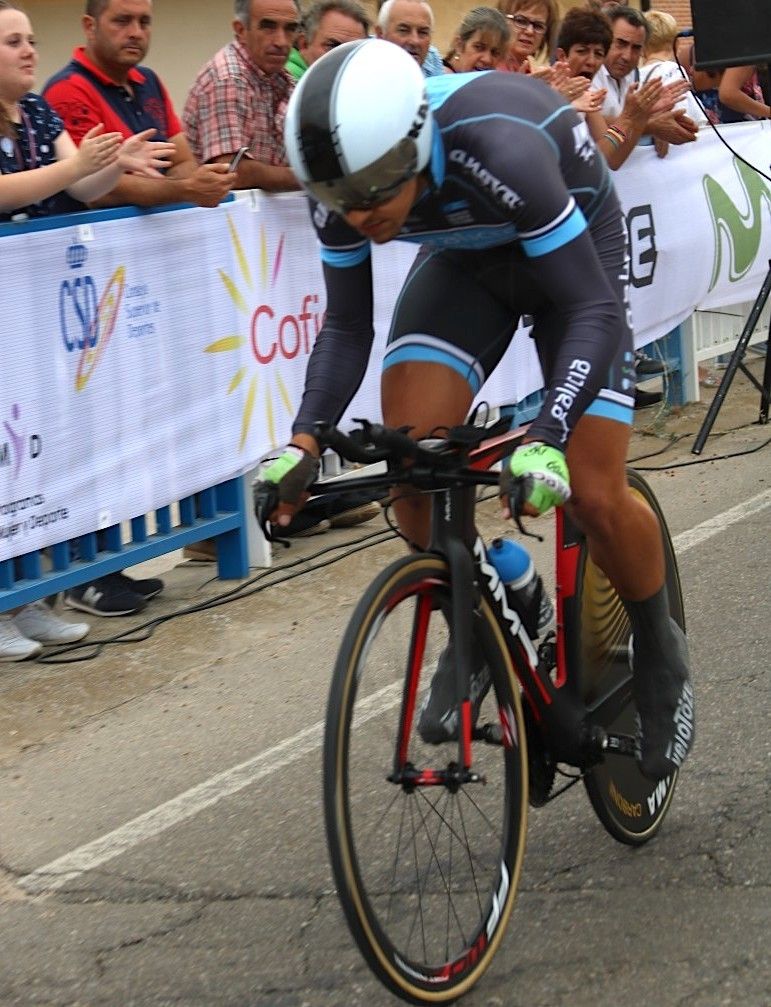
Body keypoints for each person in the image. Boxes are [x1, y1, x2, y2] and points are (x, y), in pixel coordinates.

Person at [260, 38, 694, 782]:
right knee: (414, 471)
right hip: (465, 262)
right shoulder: (342, 177)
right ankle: (500, 592)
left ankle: (660, 645)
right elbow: (343, 326)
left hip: (573, 264)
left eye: (371, 192)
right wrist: (302, 441)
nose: (358, 214)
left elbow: (590, 305)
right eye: (341, 198)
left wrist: (548, 434)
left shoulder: (499, 146)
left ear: (413, 142)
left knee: (590, 488)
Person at [0, 0, 174, 654]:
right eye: (12, 41)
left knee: (40, 452)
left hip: (41, 311)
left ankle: (34, 597)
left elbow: (80, 187)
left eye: (29, 38)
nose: (27, 50)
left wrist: (114, 161)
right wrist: (76, 170)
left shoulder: (39, 113)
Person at [43, 0, 236, 210]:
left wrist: (171, 188)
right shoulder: (67, 90)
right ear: (90, 27)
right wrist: (183, 189)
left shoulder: (148, 79)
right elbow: (98, 189)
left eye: (144, 22)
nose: (136, 32)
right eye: (122, 21)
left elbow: (185, 161)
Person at [183, 0, 301, 192]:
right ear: (240, 30)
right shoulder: (229, 78)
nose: (281, 41)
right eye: (268, 27)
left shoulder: (283, 79)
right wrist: (310, 178)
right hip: (222, 218)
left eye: (290, 29)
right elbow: (233, 172)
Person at [592, 5, 698, 157]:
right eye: (620, 43)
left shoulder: (632, 75)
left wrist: (654, 119)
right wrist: (650, 126)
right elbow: (597, 127)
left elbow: (617, 139)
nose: (627, 56)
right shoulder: (587, 71)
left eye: (636, 48)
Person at [286, 0, 369, 80]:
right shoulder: (289, 84)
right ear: (304, 44)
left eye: (354, 51)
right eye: (333, 47)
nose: (344, 59)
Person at [376, 0, 443, 77]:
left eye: (423, 32)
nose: (415, 41)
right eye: (404, 30)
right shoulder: (362, 64)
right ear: (380, 34)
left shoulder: (432, 59)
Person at [495, 0, 557, 74]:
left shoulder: (534, 73)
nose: (530, 31)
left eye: (538, 26)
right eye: (521, 21)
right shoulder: (485, 65)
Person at [443, 6, 510, 73]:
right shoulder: (438, 78)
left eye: (495, 53)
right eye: (479, 47)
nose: (487, 59)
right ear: (459, 45)